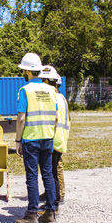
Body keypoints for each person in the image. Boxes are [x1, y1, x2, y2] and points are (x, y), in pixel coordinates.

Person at [14, 52, 59, 223]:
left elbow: (21, 118)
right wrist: (51, 135)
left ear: (27, 70)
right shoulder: (51, 90)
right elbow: (55, 117)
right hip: (47, 137)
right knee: (47, 175)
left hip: (31, 139)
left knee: (32, 176)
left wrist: (18, 140)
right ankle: (50, 212)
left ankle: (32, 215)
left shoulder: (25, 90)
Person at [39, 66, 69, 207]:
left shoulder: (52, 98)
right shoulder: (61, 97)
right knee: (54, 168)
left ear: (46, 80)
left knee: (52, 171)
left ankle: (56, 198)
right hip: (60, 138)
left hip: (53, 139)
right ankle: (52, 194)